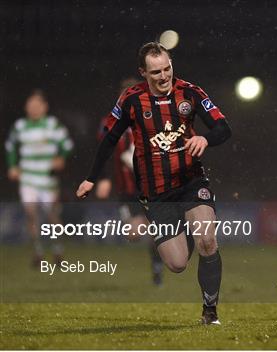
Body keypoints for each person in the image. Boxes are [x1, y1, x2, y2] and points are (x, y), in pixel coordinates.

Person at [76, 42, 231, 324]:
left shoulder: (191, 93)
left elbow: (223, 127)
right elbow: (109, 138)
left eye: (167, 68)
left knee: (208, 241)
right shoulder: (131, 99)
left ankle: (210, 312)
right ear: (143, 73)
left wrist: (205, 138)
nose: (163, 76)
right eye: (156, 71)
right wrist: (91, 178)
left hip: (192, 182)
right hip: (157, 193)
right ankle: (183, 230)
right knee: (177, 264)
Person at [94, 78, 164, 286]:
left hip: (153, 187)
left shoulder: (155, 118)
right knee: (133, 233)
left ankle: (157, 267)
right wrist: (104, 178)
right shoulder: (109, 122)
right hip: (128, 191)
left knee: (156, 232)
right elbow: (103, 152)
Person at [5, 90, 73, 266]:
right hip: (27, 178)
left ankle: (57, 250)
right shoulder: (20, 126)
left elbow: (67, 145)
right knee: (31, 214)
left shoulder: (52, 125)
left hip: (47, 179)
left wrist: (61, 157)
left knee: (52, 216)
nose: (34, 109)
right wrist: (12, 166)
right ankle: (38, 251)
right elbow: (10, 146)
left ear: (45, 107)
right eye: (31, 105)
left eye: (37, 105)